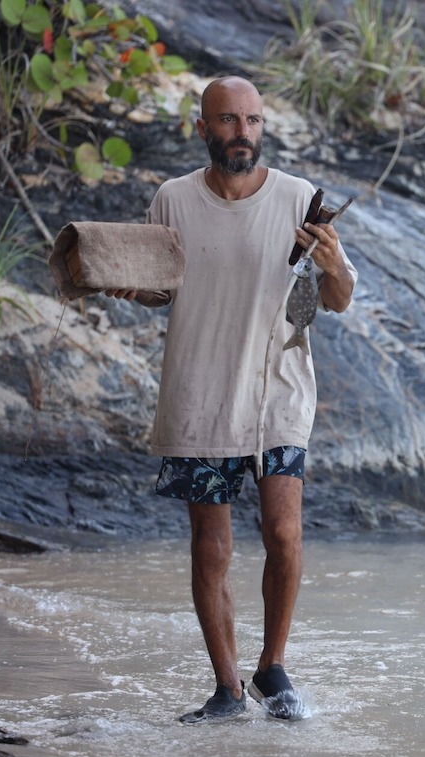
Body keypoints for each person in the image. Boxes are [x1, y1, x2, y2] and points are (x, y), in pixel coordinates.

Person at [107, 75, 357, 723]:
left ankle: (271, 667)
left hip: (279, 391)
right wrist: (137, 288)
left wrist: (332, 265)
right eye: (226, 120)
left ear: (261, 128)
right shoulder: (173, 199)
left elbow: (333, 300)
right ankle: (226, 689)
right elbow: (164, 287)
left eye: (250, 121)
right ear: (202, 128)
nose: (240, 132)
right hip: (199, 392)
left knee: (283, 532)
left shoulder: (300, 199)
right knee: (210, 547)